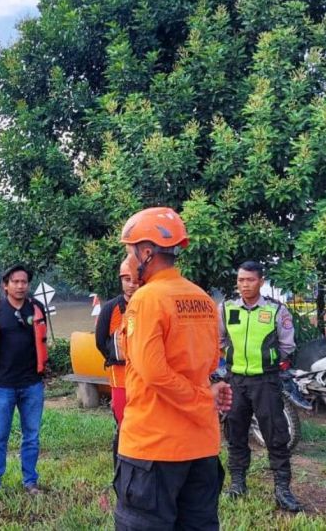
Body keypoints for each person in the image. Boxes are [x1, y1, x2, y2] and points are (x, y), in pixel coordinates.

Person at [113, 207, 232, 530]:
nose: (127, 262)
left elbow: (153, 373)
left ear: (146, 253)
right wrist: (207, 395)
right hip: (201, 445)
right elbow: (210, 363)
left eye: (129, 252)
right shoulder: (202, 299)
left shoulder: (146, 299)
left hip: (154, 448)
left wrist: (202, 397)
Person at [220, 261, 305, 512]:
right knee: (235, 433)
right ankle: (238, 484)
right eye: (240, 280)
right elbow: (218, 340)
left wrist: (269, 363)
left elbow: (287, 345)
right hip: (236, 381)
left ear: (261, 281)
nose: (244, 285)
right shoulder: (226, 309)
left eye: (250, 280)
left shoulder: (276, 310)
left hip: (266, 382)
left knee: (276, 435)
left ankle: (282, 490)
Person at [0, 264, 48, 496]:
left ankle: (30, 482)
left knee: (32, 436)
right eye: (15, 282)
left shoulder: (36, 308)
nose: (20, 286)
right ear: (5, 285)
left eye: (24, 282)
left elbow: (42, 340)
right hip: (3, 385)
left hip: (32, 383)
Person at [95, 254, 139, 463]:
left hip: (145, 375)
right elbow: (100, 341)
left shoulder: (150, 305)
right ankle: (121, 469)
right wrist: (115, 356)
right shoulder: (110, 308)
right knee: (123, 423)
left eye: (135, 280)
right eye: (126, 279)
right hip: (120, 376)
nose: (131, 285)